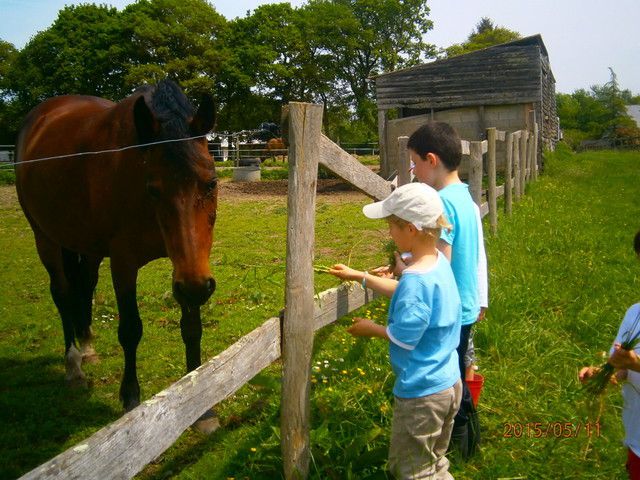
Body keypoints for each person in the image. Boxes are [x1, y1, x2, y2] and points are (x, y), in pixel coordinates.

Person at [328, 182, 462, 479]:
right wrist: (360, 276)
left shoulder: (416, 280)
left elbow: (404, 336)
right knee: (435, 461)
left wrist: (371, 328)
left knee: (412, 470)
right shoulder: (437, 263)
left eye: (392, 226)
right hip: (449, 383)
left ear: (411, 229)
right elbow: (406, 292)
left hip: (422, 394)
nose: (389, 233)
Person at [400, 122, 484, 458]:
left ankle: (462, 444)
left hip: (448, 310)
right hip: (465, 304)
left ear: (431, 160)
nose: (413, 171)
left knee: (452, 380)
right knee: (458, 370)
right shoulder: (463, 196)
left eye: (414, 163)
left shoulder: (441, 204)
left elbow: (440, 264)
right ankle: (466, 442)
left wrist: (406, 269)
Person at [579, 229, 640, 480]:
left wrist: (635, 364)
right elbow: (624, 368)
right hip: (637, 437)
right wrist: (605, 373)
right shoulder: (634, 314)